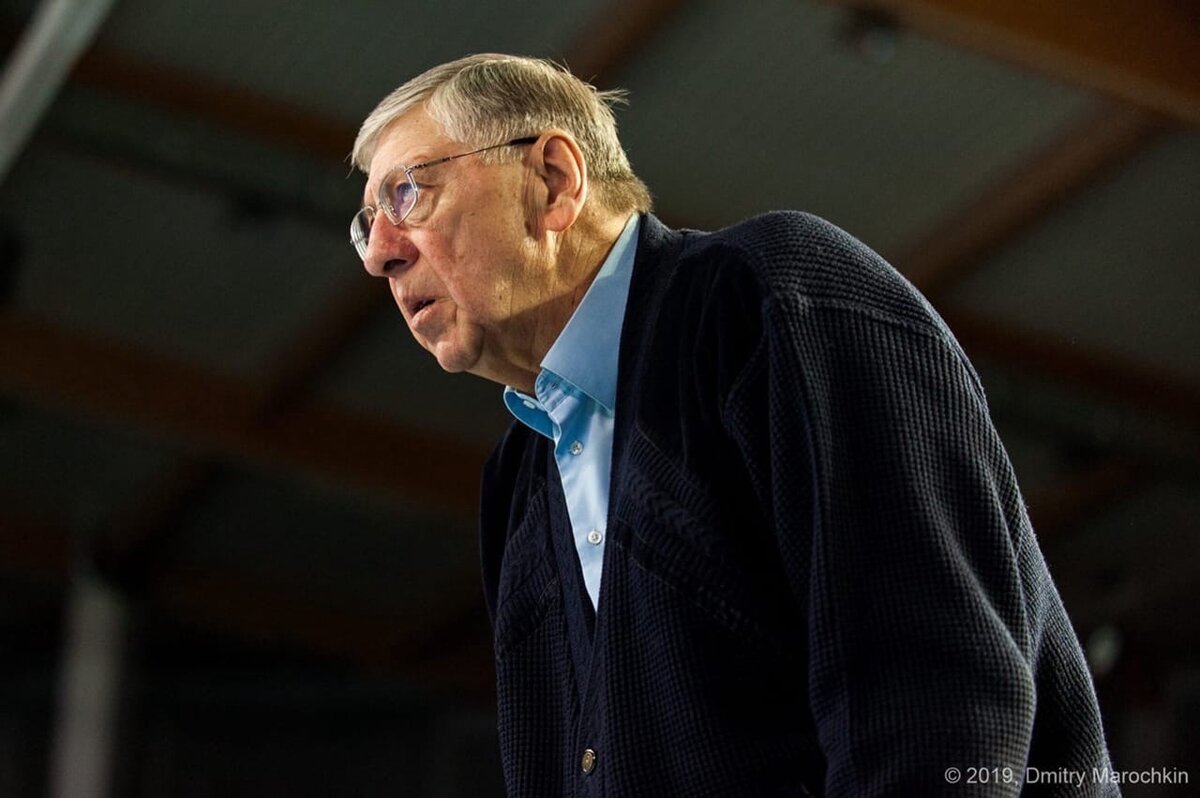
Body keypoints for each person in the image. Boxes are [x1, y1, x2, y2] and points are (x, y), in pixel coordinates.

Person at [350, 54, 1117, 797]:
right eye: (367, 224)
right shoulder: (517, 479)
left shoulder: (771, 297)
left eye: (408, 193)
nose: (380, 254)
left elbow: (935, 700)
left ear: (553, 181)